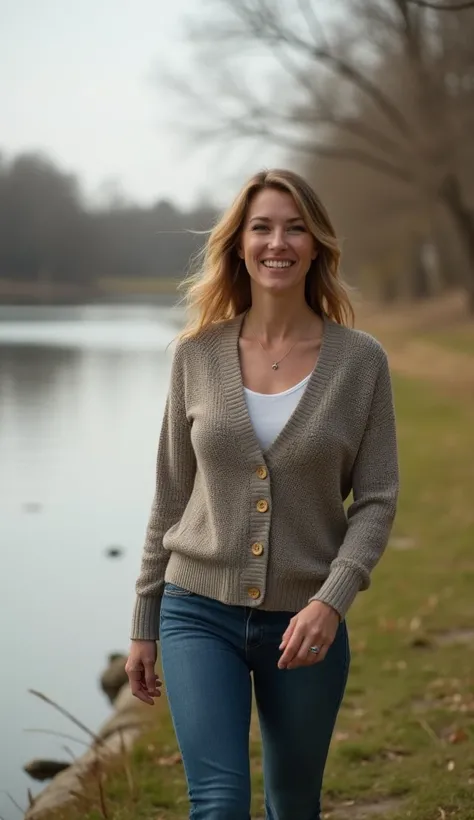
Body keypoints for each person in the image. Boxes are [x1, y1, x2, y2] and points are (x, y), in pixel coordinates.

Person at [125, 168, 399, 820]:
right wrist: (144, 619)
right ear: (239, 245)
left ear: (317, 245)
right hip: (197, 613)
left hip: (304, 624)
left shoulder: (361, 362)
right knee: (218, 805)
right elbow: (169, 494)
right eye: (263, 227)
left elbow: (378, 499)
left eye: (295, 227)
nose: (279, 242)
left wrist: (331, 602)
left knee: (294, 804)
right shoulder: (196, 355)